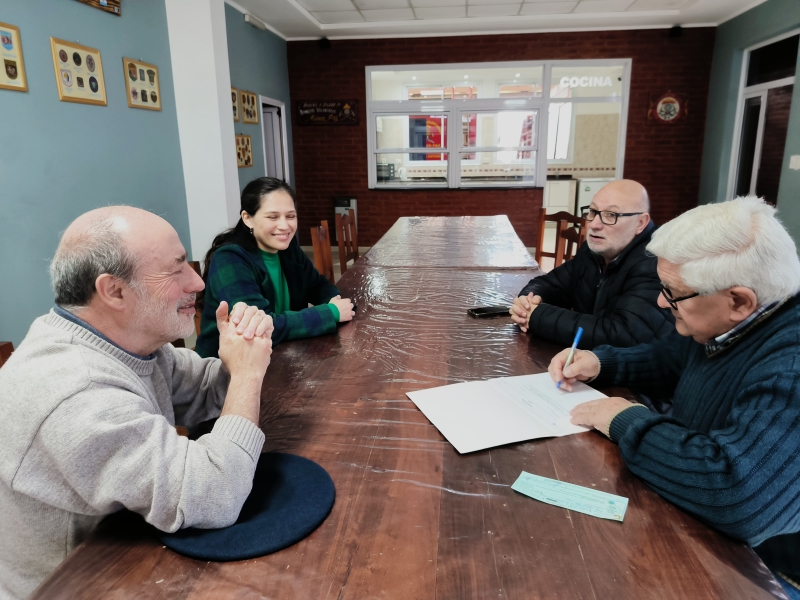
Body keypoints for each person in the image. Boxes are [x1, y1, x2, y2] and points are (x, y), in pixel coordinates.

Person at [0, 206, 273, 600]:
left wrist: (245, 347)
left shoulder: (126, 345)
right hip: (73, 584)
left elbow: (207, 389)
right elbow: (215, 493)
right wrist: (247, 374)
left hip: (126, 551)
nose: (197, 282)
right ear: (114, 291)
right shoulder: (77, 390)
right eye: (177, 269)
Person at [548, 196, 800, 598]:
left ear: (738, 301)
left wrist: (624, 419)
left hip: (766, 572)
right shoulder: (739, 321)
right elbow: (674, 359)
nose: (662, 302)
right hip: (701, 519)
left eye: (674, 292)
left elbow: (740, 496)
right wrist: (602, 363)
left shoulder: (791, 367)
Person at [196, 177, 354, 358]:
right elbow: (259, 326)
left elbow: (316, 285)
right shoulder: (229, 259)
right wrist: (331, 313)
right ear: (247, 218)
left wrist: (334, 299)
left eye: (290, 216)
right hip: (227, 370)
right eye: (273, 217)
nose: (284, 226)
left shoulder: (287, 247)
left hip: (282, 355)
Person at [510, 179, 673, 349]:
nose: (594, 224)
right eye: (593, 211)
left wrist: (537, 316)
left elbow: (623, 335)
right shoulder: (594, 250)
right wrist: (527, 302)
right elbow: (552, 283)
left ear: (640, 223)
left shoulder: (658, 264)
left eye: (611, 215)